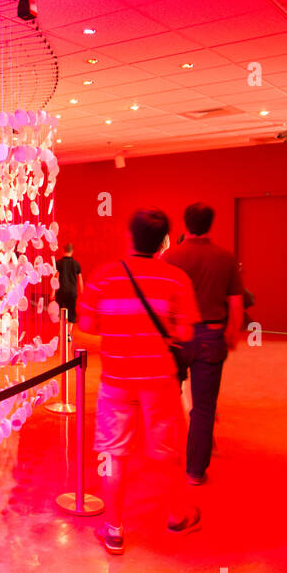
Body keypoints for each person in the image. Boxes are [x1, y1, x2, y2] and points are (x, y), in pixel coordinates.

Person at [77, 209, 201, 555]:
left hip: (116, 380)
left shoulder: (104, 277)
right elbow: (186, 331)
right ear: (164, 241)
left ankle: (115, 530)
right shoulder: (176, 280)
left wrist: (117, 341)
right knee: (168, 450)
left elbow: (81, 334)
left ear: (129, 237)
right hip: (160, 379)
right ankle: (177, 516)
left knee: (114, 454)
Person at [162, 202, 244, 485]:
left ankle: (166, 461)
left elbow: (161, 301)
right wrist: (232, 333)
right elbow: (236, 303)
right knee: (204, 406)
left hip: (176, 337)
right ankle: (195, 471)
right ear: (211, 224)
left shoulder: (170, 256)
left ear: (185, 224)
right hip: (210, 336)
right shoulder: (225, 258)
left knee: (168, 401)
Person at [55, 244, 83, 332]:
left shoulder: (58, 263)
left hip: (61, 291)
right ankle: (69, 332)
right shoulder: (76, 264)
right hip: (72, 292)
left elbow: (56, 277)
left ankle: (62, 330)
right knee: (71, 312)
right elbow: (80, 279)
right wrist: (82, 291)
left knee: (61, 311)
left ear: (63, 251)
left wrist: (52, 291)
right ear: (72, 251)